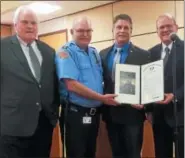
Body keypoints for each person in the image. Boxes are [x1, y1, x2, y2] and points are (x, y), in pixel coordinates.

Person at [0, 5, 60, 158]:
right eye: (25, 22)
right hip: (12, 126)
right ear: (15, 25)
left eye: (33, 23)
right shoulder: (3, 47)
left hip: (43, 124)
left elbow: (53, 84)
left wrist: (53, 113)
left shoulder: (48, 51)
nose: (30, 26)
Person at [55, 16, 118, 158]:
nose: (85, 34)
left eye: (88, 30)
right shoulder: (65, 52)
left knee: (90, 153)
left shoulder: (94, 52)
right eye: (80, 30)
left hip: (94, 114)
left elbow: (103, 79)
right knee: (76, 154)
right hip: (75, 115)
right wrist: (101, 98)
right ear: (72, 31)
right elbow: (72, 85)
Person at [99, 14, 150, 158]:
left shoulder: (143, 55)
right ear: (113, 30)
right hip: (111, 114)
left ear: (131, 30)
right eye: (119, 27)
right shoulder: (102, 54)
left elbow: (148, 84)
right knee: (116, 153)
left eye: (126, 27)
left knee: (133, 154)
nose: (122, 30)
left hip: (133, 115)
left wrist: (145, 102)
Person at [148, 13, 184, 158]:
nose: (165, 30)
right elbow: (148, 83)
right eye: (161, 27)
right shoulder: (151, 53)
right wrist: (148, 109)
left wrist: (175, 96)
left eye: (169, 26)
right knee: (162, 154)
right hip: (159, 116)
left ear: (176, 27)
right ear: (157, 31)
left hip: (181, 114)